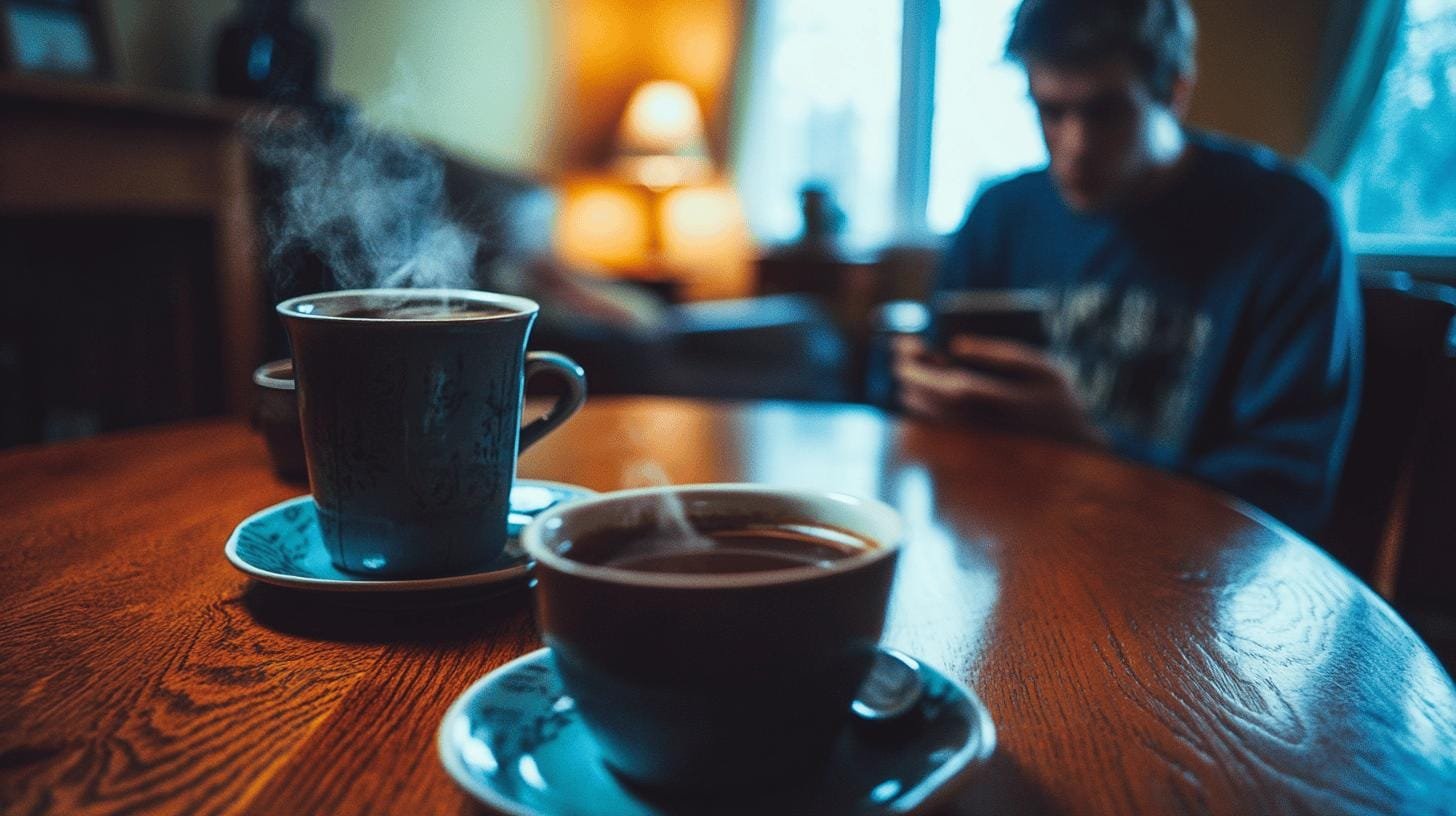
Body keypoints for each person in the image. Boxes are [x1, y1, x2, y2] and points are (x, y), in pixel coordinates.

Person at [893, 0, 1362, 538]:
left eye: (1106, 112)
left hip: (1193, 578)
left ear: (1175, 92)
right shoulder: (1001, 213)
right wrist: (914, 384)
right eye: (1050, 111)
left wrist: (1088, 446)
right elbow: (922, 400)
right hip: (1008, 538)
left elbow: (1284, 492)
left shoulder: (1288, 222)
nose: (1075, 148)